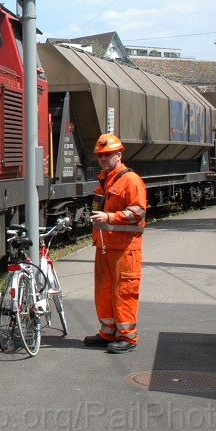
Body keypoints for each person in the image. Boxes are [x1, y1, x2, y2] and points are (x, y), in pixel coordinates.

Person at [83, 133, 146, 354]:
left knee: (124, 292)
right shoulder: (106, 179)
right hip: (105, 247)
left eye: (108, 154)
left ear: (119, 155)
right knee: (104, 291)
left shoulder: (131, 180)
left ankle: (128, 337)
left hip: (125, 250)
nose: (103, 158)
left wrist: (109, 217)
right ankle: (108, 332)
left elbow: (138, 213)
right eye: (100, 155)